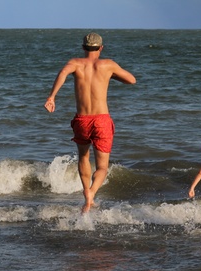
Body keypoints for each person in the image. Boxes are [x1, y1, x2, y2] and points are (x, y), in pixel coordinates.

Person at [44, 32, 136, 213]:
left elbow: (62, 73)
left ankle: (86, 191)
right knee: (102, 166)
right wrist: (111, 76)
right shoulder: (108, 65)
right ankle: (92, 193)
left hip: (82, 119)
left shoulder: (75, 63)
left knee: (83, 158)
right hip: (101, 119)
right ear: (101, 47)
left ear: (83, 47)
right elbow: (132, 80)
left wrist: (52, 97)